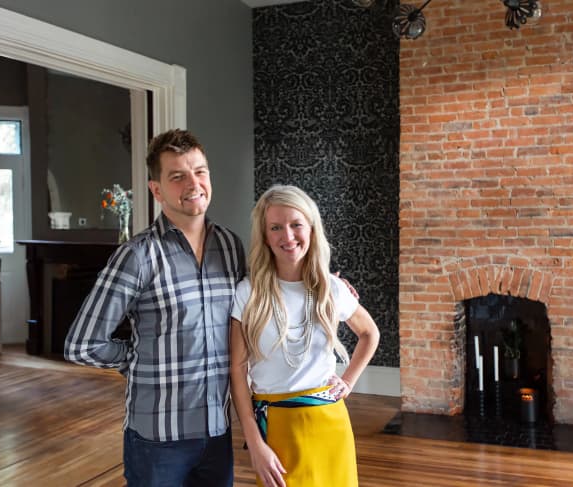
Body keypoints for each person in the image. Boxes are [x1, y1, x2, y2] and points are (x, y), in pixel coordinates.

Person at [64, 129, 246, 487]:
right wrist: (136, 358)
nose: (193, 183)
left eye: (200, 171)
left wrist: (325, 287)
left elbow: (256, 307)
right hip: (158, 440)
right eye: (177, 176)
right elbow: (81, 344)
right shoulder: (137, 255)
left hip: (216, 431)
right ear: (157, 190)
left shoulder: (230, 245)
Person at [229, 185, 380, 487]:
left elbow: (369, 333)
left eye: (296, 224)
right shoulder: (248, 292)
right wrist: (254, 443)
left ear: (311, 228)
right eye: (276, 227)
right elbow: (237, 368)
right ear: (265, 236)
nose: (287, 236)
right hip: (275, 428)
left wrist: (348, 381)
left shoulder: (331, 289)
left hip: (330, 426)